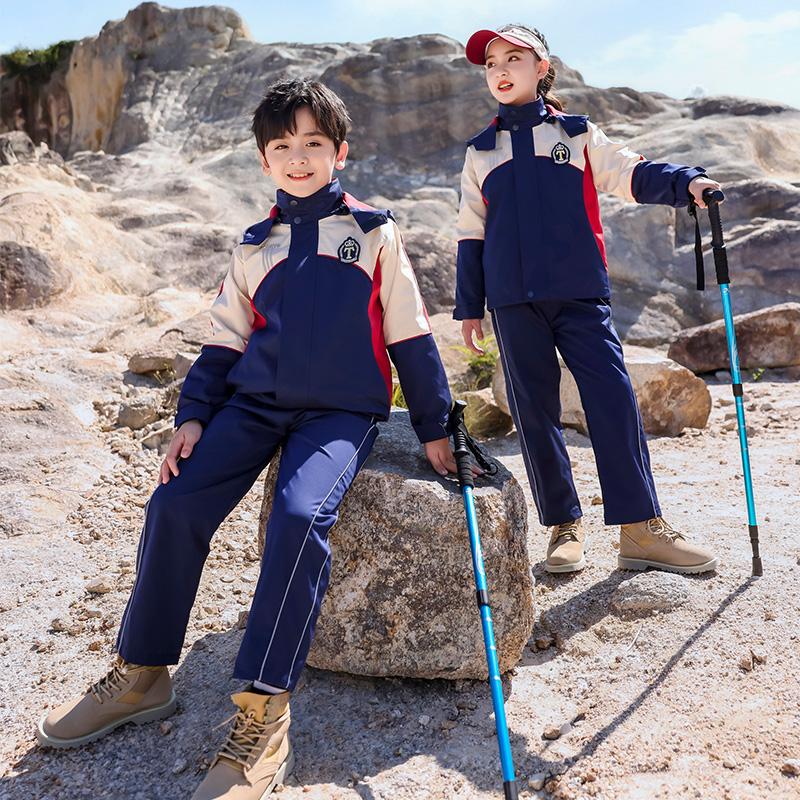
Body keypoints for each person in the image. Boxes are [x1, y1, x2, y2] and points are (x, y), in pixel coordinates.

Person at [37, 77, 458, 799]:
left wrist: (435, 425)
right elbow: (224, 342)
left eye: (314, 145)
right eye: (283, 147)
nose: (299, 158)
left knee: (299, 518)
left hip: (338, 415)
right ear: (264, 161)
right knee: (175, 500)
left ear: (340, 153)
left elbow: (409, 332)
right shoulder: (254, 246)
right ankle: (142, 674)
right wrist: (193, 416)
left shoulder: (373, 233)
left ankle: (263, 711)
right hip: (253, 407)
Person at [455, 24, 721, 575]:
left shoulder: (576, 135)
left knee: (612, 398)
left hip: (579, 294)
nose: (500, 70)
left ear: (542, 69)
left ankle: (640, 530)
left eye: (514, 58)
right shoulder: (481, 152)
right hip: (511, 301)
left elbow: (630, 172)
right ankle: (563, 525)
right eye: (491, 64)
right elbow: (471, 232)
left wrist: (686, 183)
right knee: (535, 412)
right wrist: (468, 306)